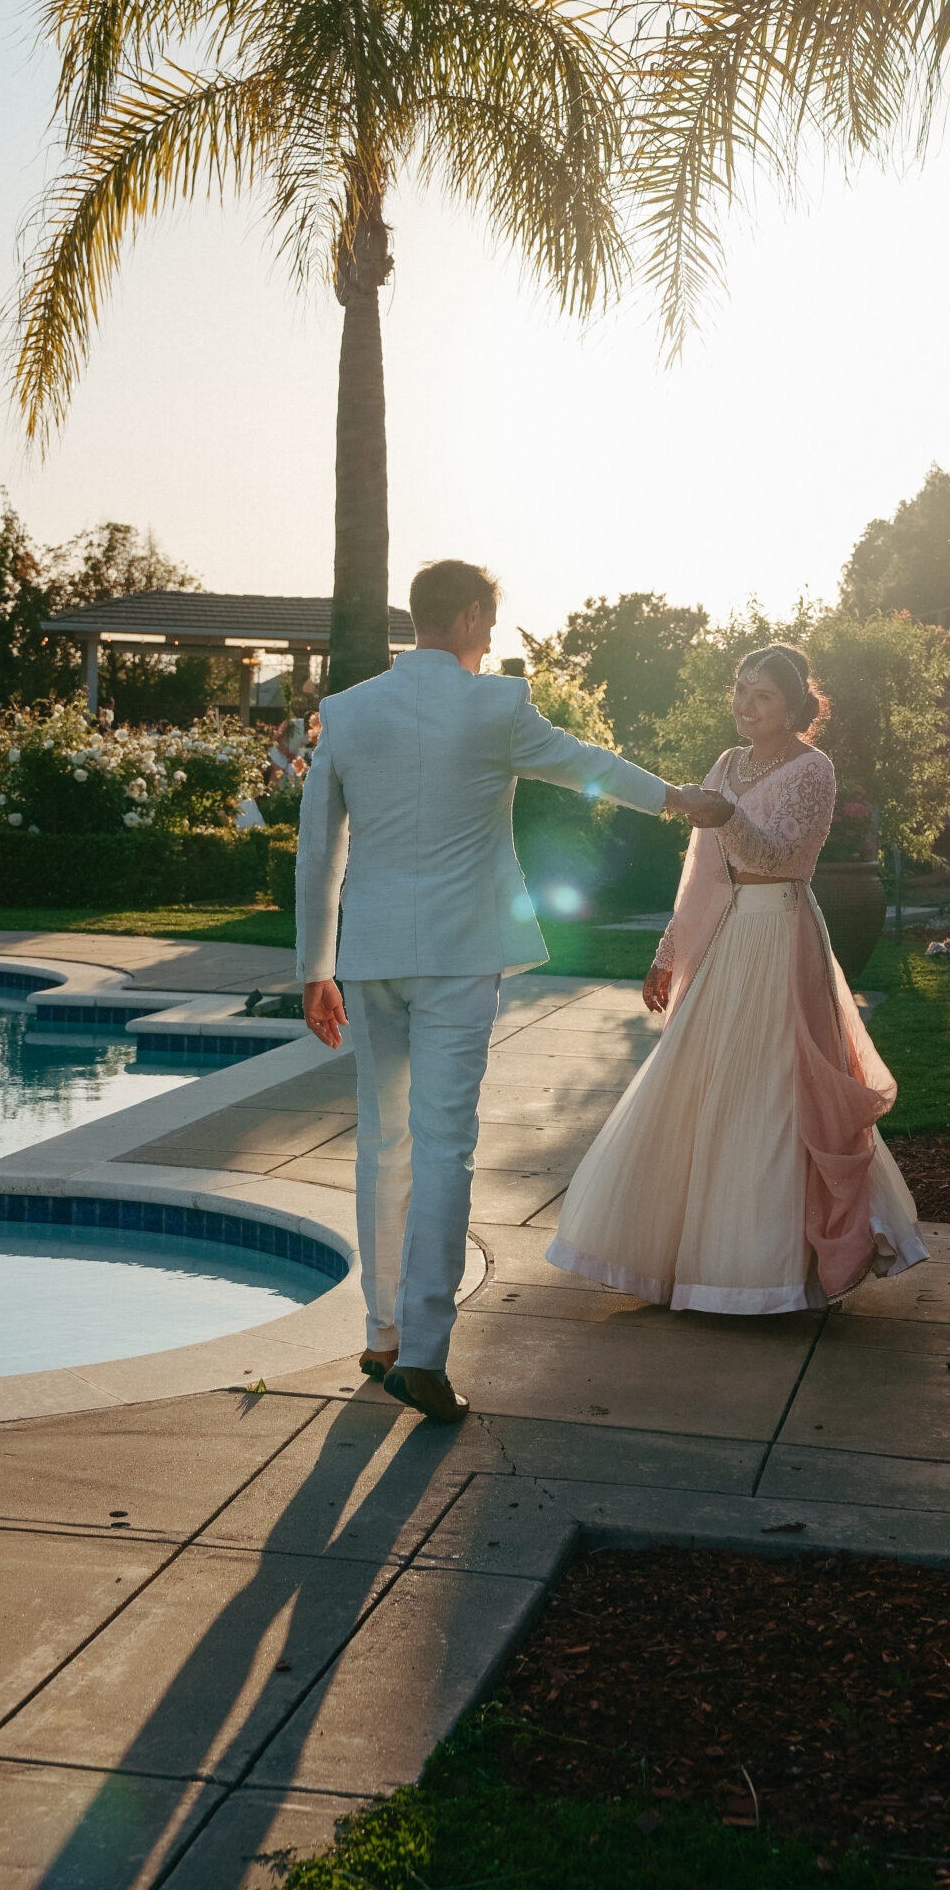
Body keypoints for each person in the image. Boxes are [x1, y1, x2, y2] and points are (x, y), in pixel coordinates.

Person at [297, 558, 732, 1425]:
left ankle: (382, 1334)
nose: (490, 640)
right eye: (488, 623)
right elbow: (588, 766)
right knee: (444, 1144)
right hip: (459, 956)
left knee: (384, 1141)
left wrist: (314, 966)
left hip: (372, 955)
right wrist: (679, 802)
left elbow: (318, 849)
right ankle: (421, 1354)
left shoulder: (346, 712)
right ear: (465, 618)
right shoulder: (494, 704)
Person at [547, 644, 926, 1314]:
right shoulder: (725, 764)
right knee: (702, 1079)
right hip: (723, 936)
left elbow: (781, 859)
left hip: (779, 933)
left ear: (794, 707)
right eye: (741, 690)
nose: (745, 707)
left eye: (763, 696)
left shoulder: (814, 769)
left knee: (773, 1085)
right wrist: (667, 951)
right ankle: (688, 1263)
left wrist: (726, 816)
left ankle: (772, 1271)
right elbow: (699, 872)